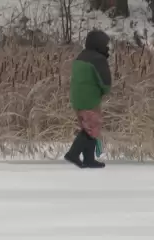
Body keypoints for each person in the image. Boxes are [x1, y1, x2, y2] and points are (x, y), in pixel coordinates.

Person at [64, 29, 112, 168]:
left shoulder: (80, 57)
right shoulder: (98, 59)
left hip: (77, 98)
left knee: (88, 127)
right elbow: (105, 82)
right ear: (99, 45)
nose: (107, 48)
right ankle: (73, 153)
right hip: (90, 99)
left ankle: (89, 159)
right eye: (106, 45)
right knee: (92, 129)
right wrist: (104, 91)